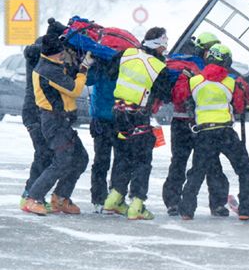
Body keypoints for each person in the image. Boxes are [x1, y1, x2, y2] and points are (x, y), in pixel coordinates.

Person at [178, 43, 249, 221]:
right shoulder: (232, 82)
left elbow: (184, 101)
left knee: (197, 172)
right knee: (244, 169)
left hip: (203, 134)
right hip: (225, 132)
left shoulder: (193, 81)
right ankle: (247, 209)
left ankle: (186, 210)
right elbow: (239, 107)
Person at [103, 27, 174, 220]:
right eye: (164, 45)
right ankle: (137, 204)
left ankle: (114, 198)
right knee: (143, 161)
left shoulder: (126, 53)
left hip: (118, 113)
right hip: (138, 116)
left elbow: (110, 73)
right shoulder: (158, 66)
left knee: (123, 156)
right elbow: (166, 94)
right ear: (159, 46)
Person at [162, 32, 231, 217]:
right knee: (207, 164)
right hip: (197, 125)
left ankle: (175, 202)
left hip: (191, 124)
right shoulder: (197, 71)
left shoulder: (191, 69)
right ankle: (215, 204)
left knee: (185, 163)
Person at [22, 33, 91, 216]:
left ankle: (60, 197)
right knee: (61, 161)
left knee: (80, 158)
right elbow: (75, 89)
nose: (63, 54)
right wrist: (84, 69)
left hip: (62, 122)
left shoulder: (54, 65)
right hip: (54, 122)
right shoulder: (48, 70)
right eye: (60, 52)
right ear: (52, 53)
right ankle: (33, 198)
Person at [19, 18, 67, 211]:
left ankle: (32, 194)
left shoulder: (42, 50)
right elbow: (31, 52)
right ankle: (29, 195)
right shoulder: (40, 52)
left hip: (38, 112)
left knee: (45, 154)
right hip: (34, 112)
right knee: (44, 154)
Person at [86, 60, 119, 213]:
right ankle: (111, 198)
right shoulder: (102, 65)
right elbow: (88, 79)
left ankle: (102, 198)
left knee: (103, 161)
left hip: (105, 118)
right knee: (112, 161)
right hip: (114, 119)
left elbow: (88, 80)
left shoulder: (100, 64)